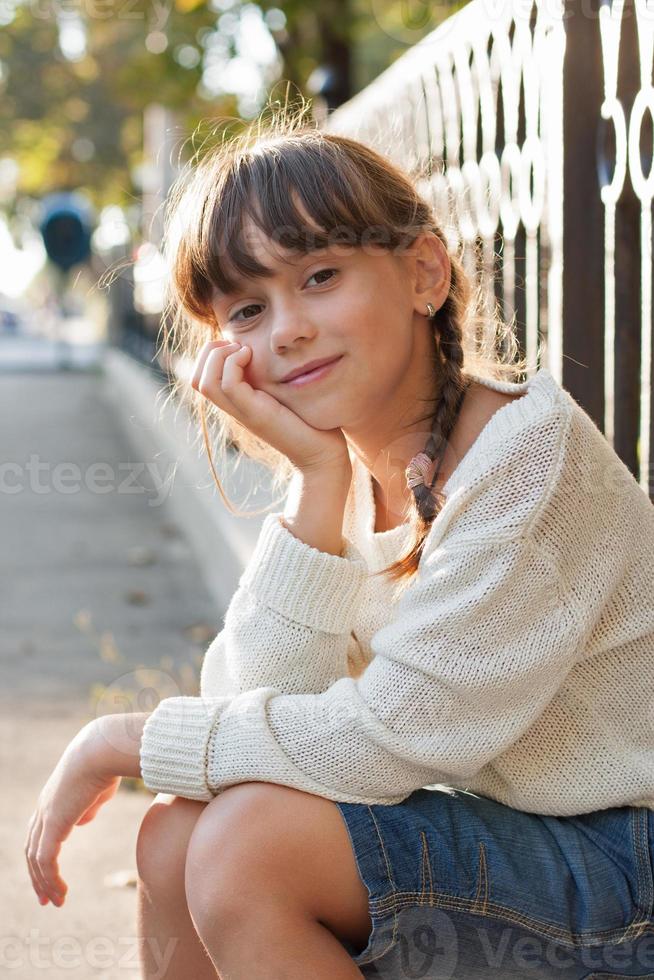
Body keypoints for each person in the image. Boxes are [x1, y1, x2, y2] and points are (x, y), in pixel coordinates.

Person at [25, 103, 654, 980]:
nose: (285, 329)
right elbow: (256, 699)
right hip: (514, 847)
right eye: (247, 308)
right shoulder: (345, 466)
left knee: (249, 845)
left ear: (425, 272)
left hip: (629, 866)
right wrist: (318, 486)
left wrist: (116, 741)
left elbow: (387, 739)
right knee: (181, 830)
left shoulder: (524, 457)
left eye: (320, 276)